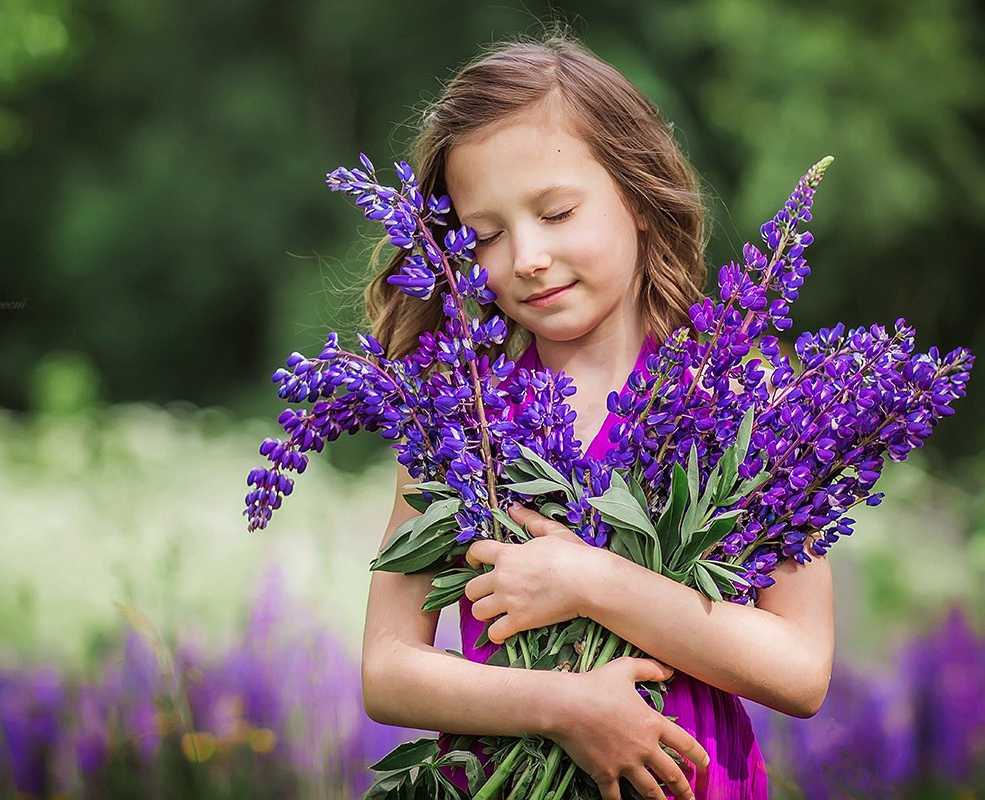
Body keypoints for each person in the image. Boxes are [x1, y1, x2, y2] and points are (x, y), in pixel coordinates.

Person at [358, 34, 835, 800]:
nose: (526, 256)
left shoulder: (743, 400)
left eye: (556, 212)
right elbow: (386, 671)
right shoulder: (457, 417)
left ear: (638, 197)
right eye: (486, 235)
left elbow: (802, 671)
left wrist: (591, 580)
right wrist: (564, 706)